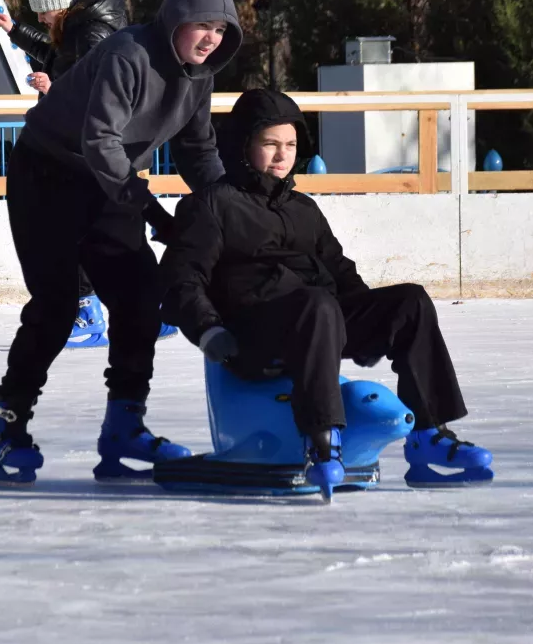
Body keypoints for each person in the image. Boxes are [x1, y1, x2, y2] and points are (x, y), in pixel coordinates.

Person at [159, 89, 494, 491]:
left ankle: (429, 435)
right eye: (270, 144)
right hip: (250, 335)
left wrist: (373, 322)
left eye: (290, 145)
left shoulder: (303, 208)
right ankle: (321, 441)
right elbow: (182, 279)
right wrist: (209, 330)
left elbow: (340, 273)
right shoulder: (213, 205)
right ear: (243, 145)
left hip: (318, 323)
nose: (282, 156)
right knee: (316, 304)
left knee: (410, 301)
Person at [0, 0, 243, 486]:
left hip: (106, 180)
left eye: (220, 29)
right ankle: (8, 425)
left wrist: (232, 209)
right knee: (57, 306)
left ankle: (125, 425)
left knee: (140, 296)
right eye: (202, 26)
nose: (211, 39)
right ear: (175, 19)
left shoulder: (200, 77)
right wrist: (148, 210)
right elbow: (99, 138)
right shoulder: (130, 54)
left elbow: (197, 151)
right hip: (48, 172)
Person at [0, 0, 159, 349]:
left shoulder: (93, 33)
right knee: (98, 225)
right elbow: (54, 54)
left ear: (58, 6)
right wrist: (14, 30)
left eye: (42, 12)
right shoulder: (78, 29)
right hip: (79, 146)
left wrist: (55, 89)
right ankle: (143, 306)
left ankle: (94, 311)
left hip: (84, 148)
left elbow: (100, 92)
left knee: (76, 226)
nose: (39, 19)